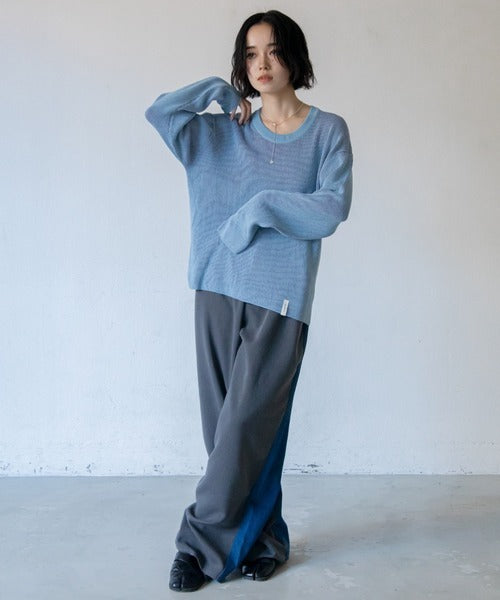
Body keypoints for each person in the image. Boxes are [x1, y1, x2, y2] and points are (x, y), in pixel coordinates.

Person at [144, 9, 353, 592]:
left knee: (246, 430)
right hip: (214, 287)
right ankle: (265, 540)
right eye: (250, 53)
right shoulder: (219, 132)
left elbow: (331, 207)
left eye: (274, 50)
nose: (261, 64)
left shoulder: (326, 131)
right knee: (227, 434)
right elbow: (160, 113)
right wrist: (213, 90)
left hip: (280, 299)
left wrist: (262, 207)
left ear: (295, 57)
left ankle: (196, 547)